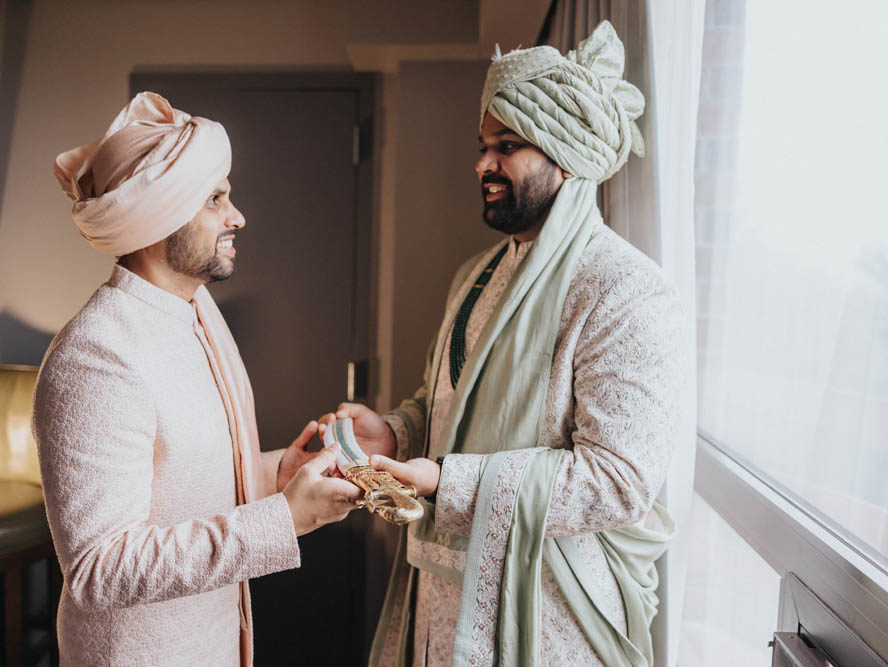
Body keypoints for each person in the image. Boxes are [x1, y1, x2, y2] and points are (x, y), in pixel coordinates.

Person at [321, 21, 682, 666]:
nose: (482, 164)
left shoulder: (625, 289)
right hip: (440, 603)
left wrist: (444, 482)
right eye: (483, 144)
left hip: (550, 621)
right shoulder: (477, 274)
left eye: (507, 146)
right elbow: (443, 405)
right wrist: (396, 434)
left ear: (565, 153)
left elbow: (620, 479)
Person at [34, 91, 362, 667]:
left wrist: (273, 476)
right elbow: (97, 569)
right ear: (160, 215)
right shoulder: (96, 356)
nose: (237, 217)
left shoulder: (196, 316)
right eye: (215, 199)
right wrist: (284, 519)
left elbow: (184, 485)